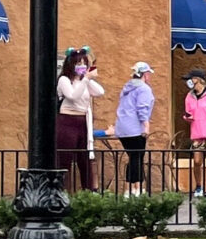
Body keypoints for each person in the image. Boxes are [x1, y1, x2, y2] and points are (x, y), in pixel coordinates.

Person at [56, 47, 103, 193]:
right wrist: (86, 80)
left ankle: (88, 192)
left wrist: (87, 78)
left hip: (83, 121)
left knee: (85, 158)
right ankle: (59, 191)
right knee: (64, 159)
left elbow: (100, 92)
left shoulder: (84, 81)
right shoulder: (64, 80)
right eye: (78, 63)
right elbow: (72, 96)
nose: (81, 66)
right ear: (71, 64)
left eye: (84, 63)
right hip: (67, 121)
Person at [110, 61, 155, 192]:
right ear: (145, 75)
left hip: (122, 128)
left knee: (133, 157)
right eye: (148, 74)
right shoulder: (144, 89)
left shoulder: (127, 87)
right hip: (135, 127)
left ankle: (131, 189)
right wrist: (146, 125)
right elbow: (142, 107)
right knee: (137, 157)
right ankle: (136, 189)